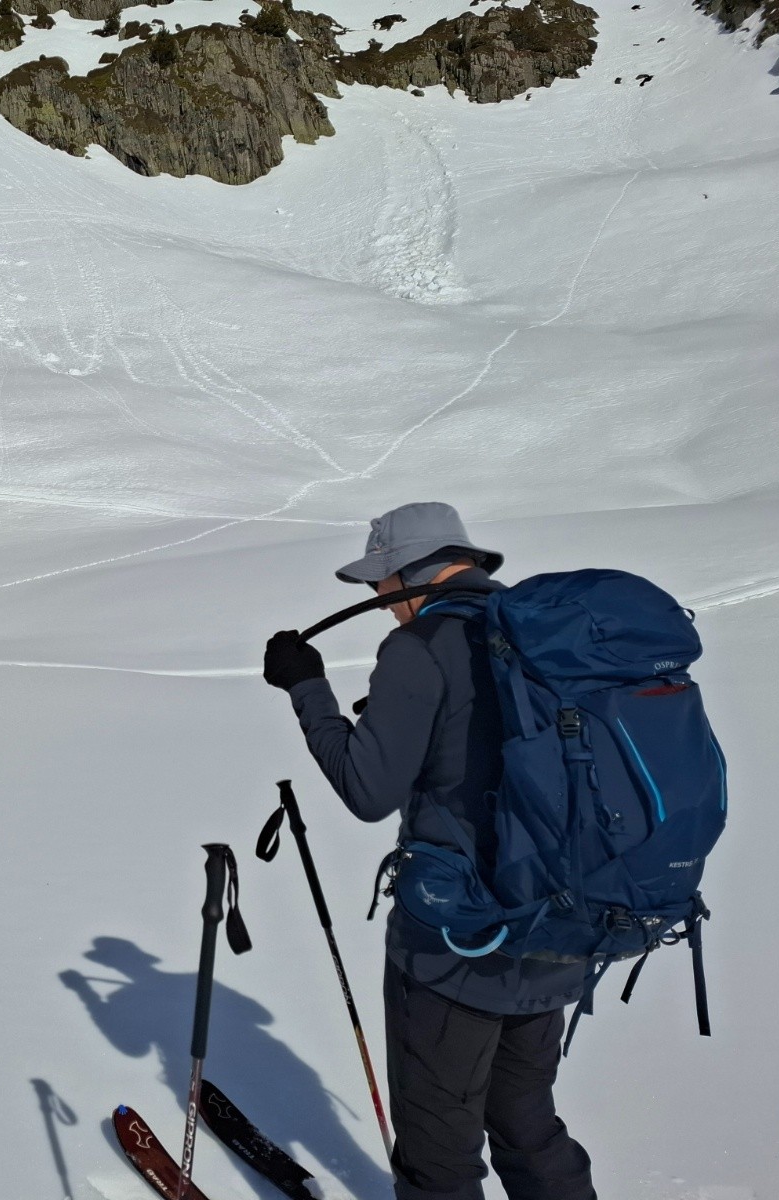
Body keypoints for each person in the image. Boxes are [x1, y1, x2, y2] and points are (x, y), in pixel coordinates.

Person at [261, 502, 596, 1200]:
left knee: (437, 1155)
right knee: (527, 1125)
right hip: (556, 925)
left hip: (456, 946)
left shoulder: (422, 647)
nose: (379, 603)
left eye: (378, 584)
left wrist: (308, 690)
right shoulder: (545, 637)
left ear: (405, 572)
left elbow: (365, 789)